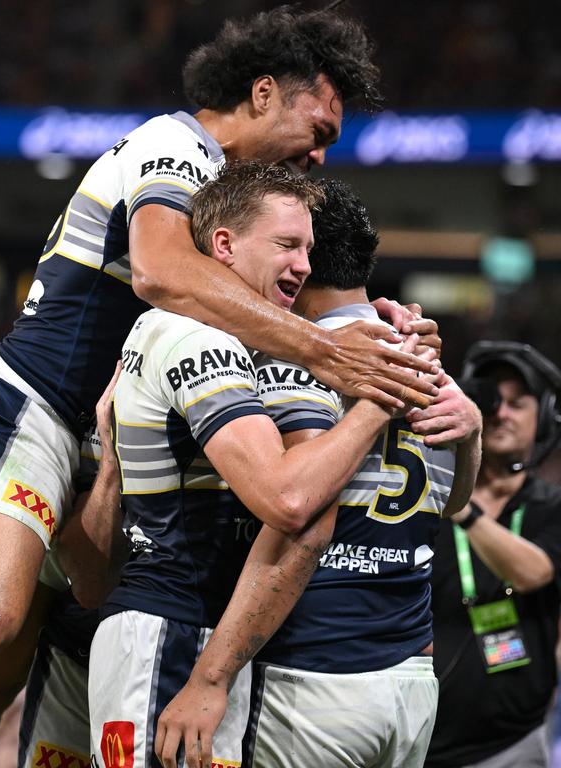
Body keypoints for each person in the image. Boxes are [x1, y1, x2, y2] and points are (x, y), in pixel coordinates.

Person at [0, 7, 441, 766]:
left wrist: (365, 325)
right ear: (262, 94)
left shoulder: (227, 199)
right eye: (317, 130)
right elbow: (159, 271)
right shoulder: (175, 145)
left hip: (93, 441)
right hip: (26, 409)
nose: (320, 157)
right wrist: (327, 351)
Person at [86, 161, 407, 768]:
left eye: (309, 248)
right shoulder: (192, 336)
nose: (305, 265)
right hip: (173, 638)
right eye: (287, 244)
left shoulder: (229, 339)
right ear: (224, 245)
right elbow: (290, 502)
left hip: (193, 637)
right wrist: (374, 401)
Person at [154, 178, 482, 768]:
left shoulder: (302, 361)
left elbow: (298, 513)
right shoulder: (426, 362)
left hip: (315, 670)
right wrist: (474, 429)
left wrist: (211, 677)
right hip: (410, 681)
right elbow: (455, 503)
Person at [424, 341, 561, 768]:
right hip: (418, 732)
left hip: (512, 743)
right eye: (490, 400)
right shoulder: (425, 498)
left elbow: (533, 571)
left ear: (544, 419)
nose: (500, 414)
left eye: (517, 404)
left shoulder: (551, 506)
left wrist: (462, 507)